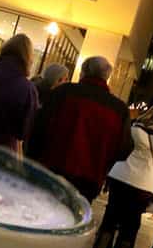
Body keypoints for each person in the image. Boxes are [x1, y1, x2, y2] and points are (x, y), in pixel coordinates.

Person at [87, 100, 153, 248]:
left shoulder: (133, 128)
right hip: (142, 184)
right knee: (130, 224)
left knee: (110, 218)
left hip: (120, 175)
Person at [29, 56, 132, 204]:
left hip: (52, 170)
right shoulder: (119, 110)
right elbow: (124, 149)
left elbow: (38, 128)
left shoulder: (63, 93)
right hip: (89, 181)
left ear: (83, 72)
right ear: (107, 77)